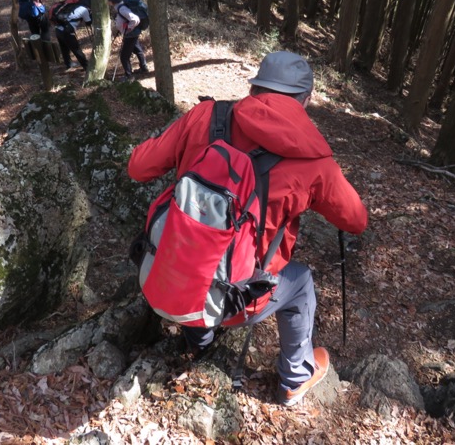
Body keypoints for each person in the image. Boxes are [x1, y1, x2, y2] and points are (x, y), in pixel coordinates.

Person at [127, 51, 368, 406]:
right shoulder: (315, 162)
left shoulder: (206, 116)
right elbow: (356, 220)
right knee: (300, 283)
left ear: (254, 87)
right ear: (306, 99)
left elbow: (137, 167)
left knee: (201, 245)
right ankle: (294, 379)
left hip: (166, 266)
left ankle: (199, 341)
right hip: (236, 297)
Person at [108, 0, 149, 81]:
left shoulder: (122, 8)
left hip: (130, 34)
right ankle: (144, 68)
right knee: (137, 49)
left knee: (124, 56)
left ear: (111, 0)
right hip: (134, 32)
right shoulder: (120, 5)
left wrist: (127, 29)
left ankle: (129, 76)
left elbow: (135, 19)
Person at [54, 0, 90, 72]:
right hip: (67, 31)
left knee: (64, 49)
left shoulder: (73, 6)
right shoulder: (85, 10)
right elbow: (88, 22)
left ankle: (68, 64)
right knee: (76, 49)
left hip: (58, 29)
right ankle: (87, 66)